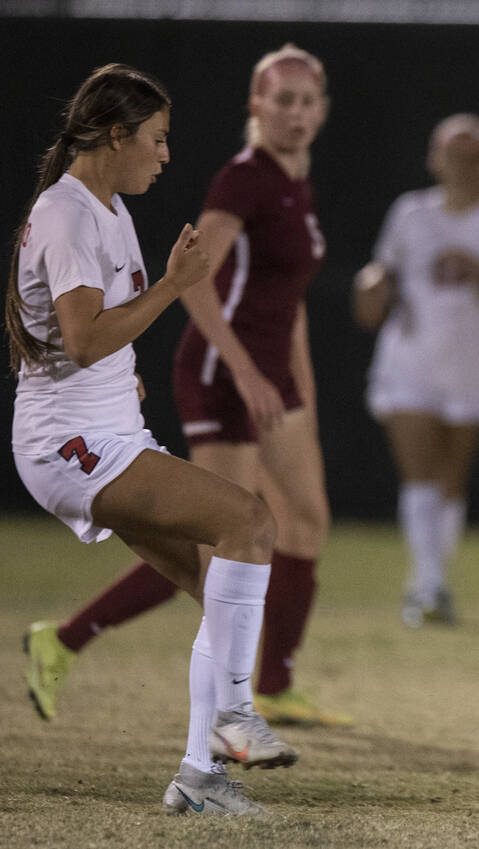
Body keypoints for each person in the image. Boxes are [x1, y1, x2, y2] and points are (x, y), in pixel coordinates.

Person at [22, 44, 348, 728]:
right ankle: (78, 646)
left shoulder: (297, 183)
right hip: (223, 377)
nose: (294, 112)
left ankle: (272, 684)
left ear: (322, 109)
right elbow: (200, 287)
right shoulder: (243, 179)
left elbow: (288, 304)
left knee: (303, 522)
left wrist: (300, 387)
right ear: (255, 107)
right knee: (221, 538)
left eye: (306, 100)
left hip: (268, 381)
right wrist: (245, 369)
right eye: (279, 99)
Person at [352, 113, 479, 627]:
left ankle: (432, 580)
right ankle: (428, 586)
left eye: (471, 154)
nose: (460, 165)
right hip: (409, 358)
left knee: (451, 479)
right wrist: (371, 286)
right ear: (435, 158)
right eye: (451, 153)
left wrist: (477, 269)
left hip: (467, 365)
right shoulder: (410, 213)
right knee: (418, 475)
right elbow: (382, 272)